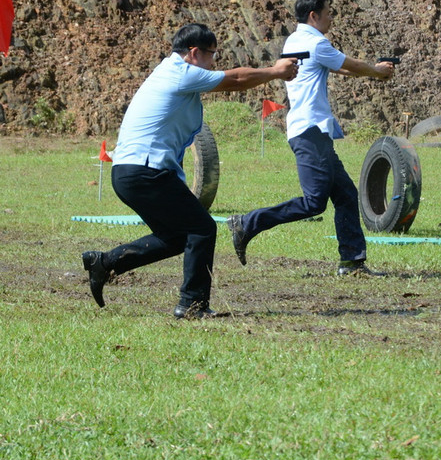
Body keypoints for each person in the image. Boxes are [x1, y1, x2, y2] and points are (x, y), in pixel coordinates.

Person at [81, 24, 298, 319]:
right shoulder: (180, 72)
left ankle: (105, 263)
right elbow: (234, 79)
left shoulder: (170, 72)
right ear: (194, 53)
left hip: (131, 172)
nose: (213, 64)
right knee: (202, 228)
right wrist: (275, 71)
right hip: (145, 171)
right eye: (212, 56)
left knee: (177, 236)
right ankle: (192, 305)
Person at [227, 0, 394, 275]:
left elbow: (340, 69)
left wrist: (371, 71)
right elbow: (349, 65)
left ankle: (352, 262)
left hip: (314, 131)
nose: (332, 17)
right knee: (314, 203)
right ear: (314, 15)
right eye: (328, 11)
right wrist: (377, 71)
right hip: (309, 132)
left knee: (345, 195)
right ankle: (248, 223)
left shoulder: (297, 40)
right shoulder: (316, 43)